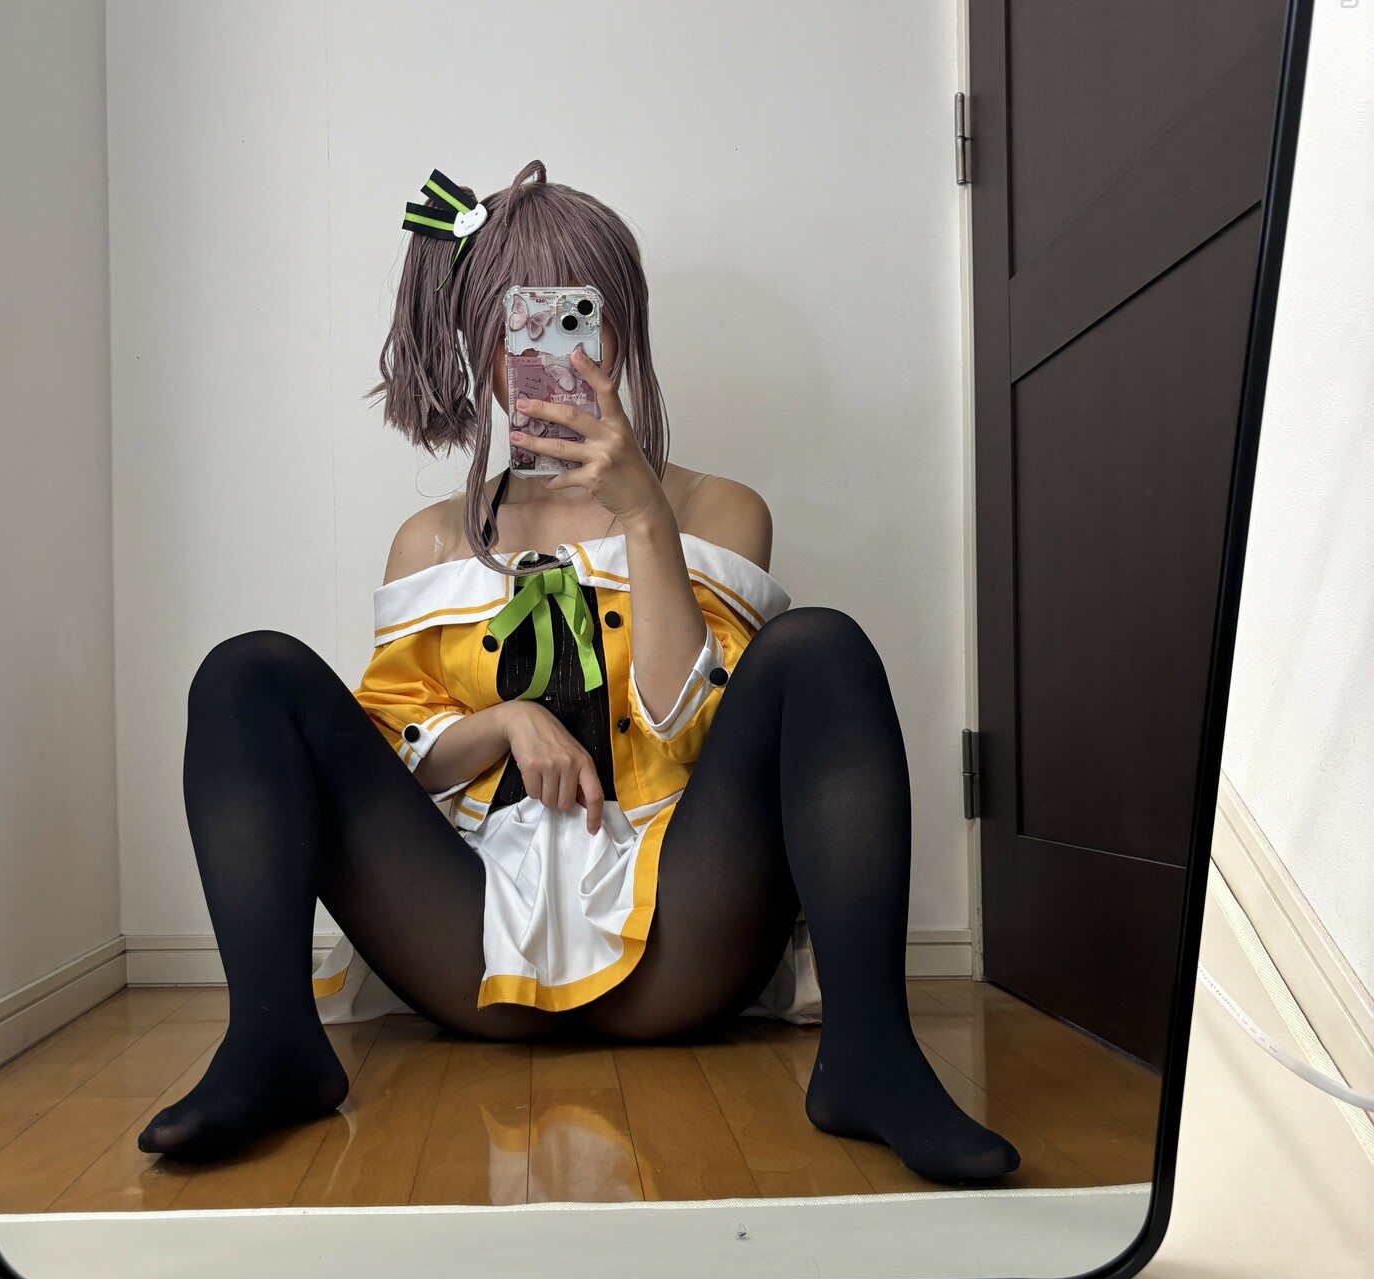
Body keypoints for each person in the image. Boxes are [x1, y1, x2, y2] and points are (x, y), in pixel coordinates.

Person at [139, 160, 1020, 1185]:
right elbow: (395, 763)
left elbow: (688, 730)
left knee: (821, 643)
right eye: (520, 329)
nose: (552, 357)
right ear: (478, 340)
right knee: (246, 674)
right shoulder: (431, 540)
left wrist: (645, 516)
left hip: (684, 935)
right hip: (464, 941)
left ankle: (872, 1059)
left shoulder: (719, 509)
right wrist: (507, 720)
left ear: (620, 330)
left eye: (577, 321)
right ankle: (270, 1043)